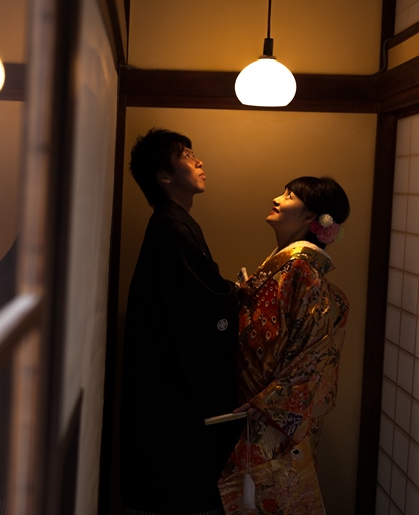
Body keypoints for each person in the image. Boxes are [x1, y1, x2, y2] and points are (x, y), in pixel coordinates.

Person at [120, 128, 242, 515]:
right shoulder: (171, 227)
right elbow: (200, 307)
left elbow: (199, 293)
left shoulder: (173, 223)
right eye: (187, 156)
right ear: (163, 175)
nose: (199, 161)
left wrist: (227, 292)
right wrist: (235, 296)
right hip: (173, 390)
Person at [217, 176, 350, 515]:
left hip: (272, 410)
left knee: (267, 495)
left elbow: (316, 350)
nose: (277, 199)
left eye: (289, 196)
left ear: (311, 218)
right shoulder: (287, 265)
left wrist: (274, 400)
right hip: (255, 401)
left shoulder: (300, 268)